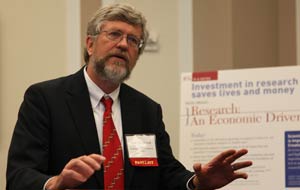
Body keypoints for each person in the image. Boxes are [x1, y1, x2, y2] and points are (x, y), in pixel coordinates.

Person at [6, 3, 252, 190]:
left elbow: (166, 172)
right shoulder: (45, 99)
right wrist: (56, 182)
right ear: (90, 44)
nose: (124, 44)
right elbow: (19, 174)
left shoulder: (146, 110)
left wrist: (197, 182)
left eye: (133, 40)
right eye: (114, 34)